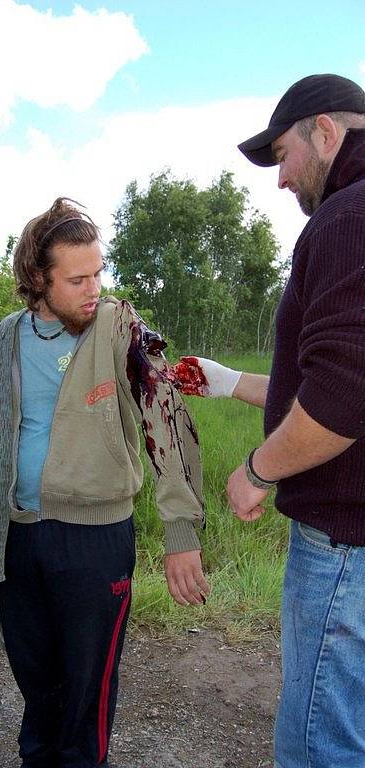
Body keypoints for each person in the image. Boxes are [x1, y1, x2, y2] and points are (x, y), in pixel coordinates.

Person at [0, 197, 208, 768]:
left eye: (98, 273)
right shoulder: (4, 340)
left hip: (95, 540)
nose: (94, 289)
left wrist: (180, 534)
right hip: (20, 538)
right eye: (78, 278)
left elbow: (165, 413)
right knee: (39, 690)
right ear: (39, 278)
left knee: (87, 696)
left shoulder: (120, 326)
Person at [176, 73, 365, 768]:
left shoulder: (347, 218)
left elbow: (345, 396)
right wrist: (227, 384)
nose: (280, 179)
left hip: (346, 547)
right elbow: (320, 382)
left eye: (282, 154)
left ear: (325, 133)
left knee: (319, 744)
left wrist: (258, 470)